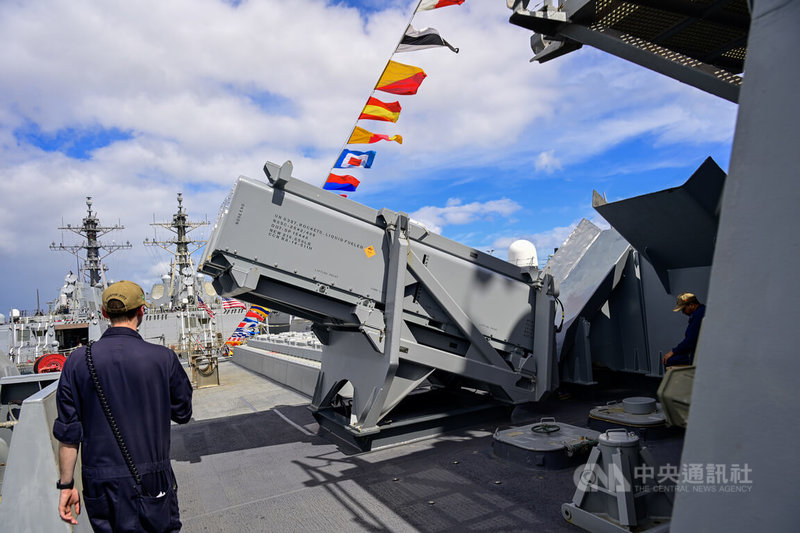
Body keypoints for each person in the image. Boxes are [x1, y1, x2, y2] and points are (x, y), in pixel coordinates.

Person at [53, 280, 193, 532]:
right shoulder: (163, 358)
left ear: (105, 314)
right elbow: (183, 413)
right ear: (141, 311)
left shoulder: (76, 362)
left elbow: (69, 434)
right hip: (152, 479)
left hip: (100, 484)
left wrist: (66, 486)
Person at [662, 292, 706, 368]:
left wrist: (673, 351)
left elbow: (690, 341)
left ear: (691, 305)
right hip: (702, 351)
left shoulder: (697, 317)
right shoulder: (702, 311)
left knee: (669, 360)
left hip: (698, 354)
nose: (683, 312)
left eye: (683, 309)